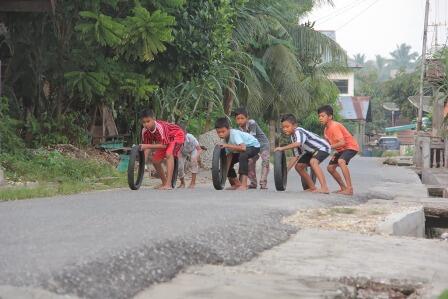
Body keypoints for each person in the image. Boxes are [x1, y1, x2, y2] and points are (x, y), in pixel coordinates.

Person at [274, 114, 331, 194]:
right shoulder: (292, 137)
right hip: (311, 152)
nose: (285, 129)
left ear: (294, 125)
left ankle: (325, 188)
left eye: (287, 127)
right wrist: (286, 171)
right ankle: (312, 187)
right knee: (298, 166)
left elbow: (298, 144)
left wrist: (282, 148)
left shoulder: (298, 131)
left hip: (322, 147)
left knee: (313, 162)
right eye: (283, 127)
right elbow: (296, 156)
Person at [318, 105, 359, 195]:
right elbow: (328, 144)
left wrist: (328, 147)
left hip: (350, 147)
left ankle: (349, 189)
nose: (320, 118)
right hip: (341, 150)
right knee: (330, 168)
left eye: (323, 116)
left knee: (341, 161)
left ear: (330, 117)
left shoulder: (334, 126)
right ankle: (343, 188)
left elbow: (342, 142)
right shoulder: (326, 130)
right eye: (319, 116)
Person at [139, 109, 185, 190]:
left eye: (148, 121)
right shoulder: (145, 131)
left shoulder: (160, 127)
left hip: (176, 136)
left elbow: (162, 146)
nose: (146, 124)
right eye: (144, 122)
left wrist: (146, 146)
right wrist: (142, 164)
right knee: (155, 161)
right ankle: (164, 182)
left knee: (168, 154)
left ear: (154, 119)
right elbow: (147, 148)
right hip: (165, 141)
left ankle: (168, 184)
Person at [215, 117, 260, 191]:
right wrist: (225, 172)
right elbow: (229, 156)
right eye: (218, 132)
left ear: (229, 129)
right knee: (227, 163)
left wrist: (227, 145)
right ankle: (236, 184)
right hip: (242, 149)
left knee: (243, 156)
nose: (221, 134)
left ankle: (244, 185)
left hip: (253, 146)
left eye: (223, 131)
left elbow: (243, 148)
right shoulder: (225, 140)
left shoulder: (234, 134)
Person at [234, 107, 270, 189]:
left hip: (263, 144)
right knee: (249, 162)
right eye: (238, 119)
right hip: (253, 147)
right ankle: (253, 183)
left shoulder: (251, 123)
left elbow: (252, 137)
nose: (240, 120)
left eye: (242, 118)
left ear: (247, 118)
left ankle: (263, 183)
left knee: (265, 161)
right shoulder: (239, 130)